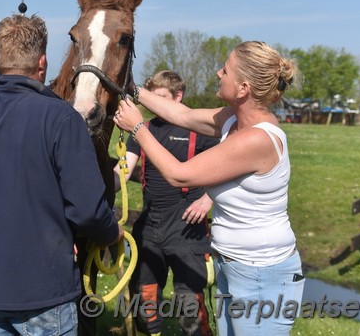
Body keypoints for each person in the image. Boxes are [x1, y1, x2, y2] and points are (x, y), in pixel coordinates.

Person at [0, 14, 123, 336]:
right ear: (42, 62)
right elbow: (89, 211)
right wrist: (111, 234)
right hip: (45, 295)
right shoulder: (62, 119)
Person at [114, 41, 304, 335]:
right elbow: (183, 115)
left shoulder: (256, 139)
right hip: (236, 266)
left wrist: (139, 128)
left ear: (242, 89)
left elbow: (179, 174)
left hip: (260, 275)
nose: (218, 73)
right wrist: (134, 90)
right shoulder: (234, 120)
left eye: (225, 70)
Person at [113, 70, 218, 336]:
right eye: (150, 99)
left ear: (178, 96)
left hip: (187, 227)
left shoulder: (200, 131)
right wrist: (98, 188)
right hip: (150, 225)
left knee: (188, 303)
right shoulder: (143, 129)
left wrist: (207, 200)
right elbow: (123, 171)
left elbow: (225, 172)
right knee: (144, 298)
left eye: (160, 98)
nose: (153, 106)